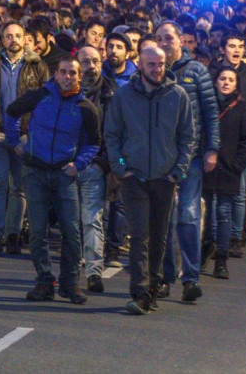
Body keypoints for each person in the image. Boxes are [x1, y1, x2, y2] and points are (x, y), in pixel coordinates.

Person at [104, 46, 195, 315]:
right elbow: (112, 136)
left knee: (158, 237)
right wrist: (121, 169)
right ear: (140, 66)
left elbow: (187, 137)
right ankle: (140, 291)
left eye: (161, 64)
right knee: (140, 236)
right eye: (152, 64)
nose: (157, 69)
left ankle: (154, 287)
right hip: (134, 178)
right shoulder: (123, 96)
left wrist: (178, 171)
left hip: (164, 178)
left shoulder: (177, 96)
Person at [5, 57, 100, 305]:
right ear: (55, 74)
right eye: (63, 72)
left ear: (79, 76)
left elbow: (93, 144)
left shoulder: (86, 108)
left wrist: (77, 165)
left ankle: (70, 284)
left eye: (72, 73)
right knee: (37, 232)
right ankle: (44, 281)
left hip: (63, 175)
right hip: (35, 172)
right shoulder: (39, 96)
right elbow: (11, 113)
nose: (67, 77)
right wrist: (15, 142)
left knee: (71, 232)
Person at [154, 22, 219, 303]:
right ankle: (167, 277)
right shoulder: (152, 71)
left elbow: (210, 113)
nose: (164, 42)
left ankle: (191, 277)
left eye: (168, 37)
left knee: (189, 218)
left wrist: (212, 149)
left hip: (191, 157)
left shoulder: (196, 71)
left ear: (181, 40)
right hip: (160, 159)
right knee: (165, 221)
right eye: (158, 38)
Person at [0, 22, 50, 254]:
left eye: (18, 36)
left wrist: (33, 134)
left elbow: (45, 101)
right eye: (9, 36)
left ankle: (13, 233)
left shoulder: (37, 66)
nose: (13, 40)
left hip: (25, 136)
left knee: (19, 187)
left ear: (25, 38)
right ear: (2, 38)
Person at [204, 67, 246, 279]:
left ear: (236, 85)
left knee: (224, 214)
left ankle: (222, 259)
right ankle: (205, 250)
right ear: (215, 82)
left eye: (230, 80)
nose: (226, 83)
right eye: (222, 78)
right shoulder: (207, 106)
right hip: (207, 168)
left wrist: (236, 166)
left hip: (228, 169)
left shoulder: (243, 109)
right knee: (206, 215)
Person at [75, 45, 116, 292]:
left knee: (92, 219)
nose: (92, 66)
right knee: (71, 220)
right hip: (66, 165)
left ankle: (93, 272)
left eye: (96, 61)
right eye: (86, 61)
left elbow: (116, 133)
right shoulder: (63, 90)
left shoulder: (111, 94)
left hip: (94, 166)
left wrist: (104, 164)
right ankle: (71, 270)